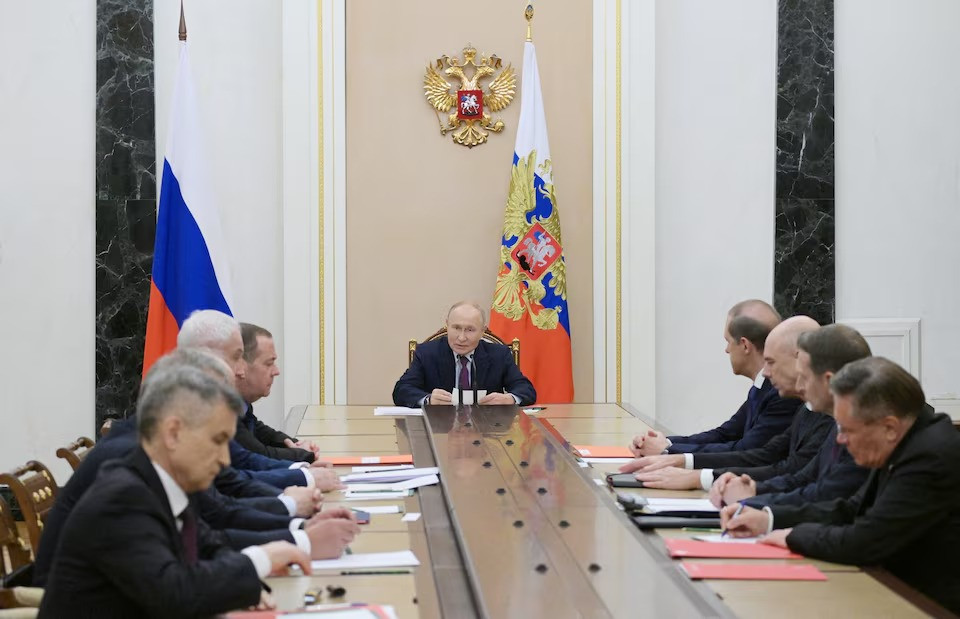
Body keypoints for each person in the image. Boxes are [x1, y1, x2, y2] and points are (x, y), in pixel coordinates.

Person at [39, 362, 313, 617]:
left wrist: (241, 584)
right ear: (172, 433)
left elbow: (209, 545)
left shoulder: (168, 478)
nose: (224, 459)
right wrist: (261, 559)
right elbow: (173, 593)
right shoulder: (123, 495)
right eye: (217, 441)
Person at [721, 357, 960, 614]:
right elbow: (851, 509)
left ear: (889, 426)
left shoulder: (928, 457)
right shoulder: (906, 439)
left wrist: (792, 536)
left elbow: (864, 541)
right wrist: (767, 518)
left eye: (847, 430)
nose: (841, 441)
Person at [620, 316, 830, 490]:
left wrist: (695, 473)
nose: (765, 372)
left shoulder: (813, 410)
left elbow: (786, 469)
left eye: (771, 362)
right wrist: (673, 452)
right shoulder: (806, 408)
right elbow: (740, 439)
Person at [177, 310, 340, 492]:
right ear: (207, 359)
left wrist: (302, 469)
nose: (241, 371)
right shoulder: (195, 410)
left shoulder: (212, 403)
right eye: (237, 357)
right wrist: (304, 476)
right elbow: (235, 479)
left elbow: (243, 461)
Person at [713, 324, 871, 507]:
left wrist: (760, 508)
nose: (800, 385)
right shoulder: (830, 420)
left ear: (828, 380)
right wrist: (755, 489)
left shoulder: (861, 431)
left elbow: (827, 497)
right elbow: (803, 478)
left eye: (805, 376)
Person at [631, 300, 801, 456]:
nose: (726, 350)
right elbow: (726, 434)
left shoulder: (781, 393)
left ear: (744, 345)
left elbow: (746, 450)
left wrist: (668, 450)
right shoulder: (762, 387)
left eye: (728, 341)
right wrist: (664, 442)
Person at [392, 301, 536, 407]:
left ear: (482, 331)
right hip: (440, 432)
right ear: (447, 325)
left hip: (487, 433)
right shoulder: (427, 353)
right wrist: (428, 399)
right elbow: (401, 390)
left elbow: (526, 390)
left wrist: (510, 398)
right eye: (456, 328)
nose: (461, 337)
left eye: (470, 330)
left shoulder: (499, 355)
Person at [235, 322, 319, 462]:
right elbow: (258, 455)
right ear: (241, 365)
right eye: (269, 363)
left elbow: (259, 431)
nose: (276, 371)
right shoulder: (220, 407)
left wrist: (294, 444)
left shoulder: (241, 404)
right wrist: (302, 454)